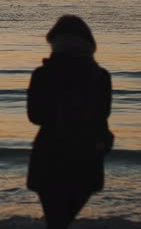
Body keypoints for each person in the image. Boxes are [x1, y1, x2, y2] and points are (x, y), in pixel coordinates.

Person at [26, 15, 114, 229]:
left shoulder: (43, 74)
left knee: (56, 220)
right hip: (87, 155)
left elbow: (35, 117)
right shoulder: (100, 76)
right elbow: (102, 117)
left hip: (49, 154)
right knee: (61, 221)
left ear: (54, 43)